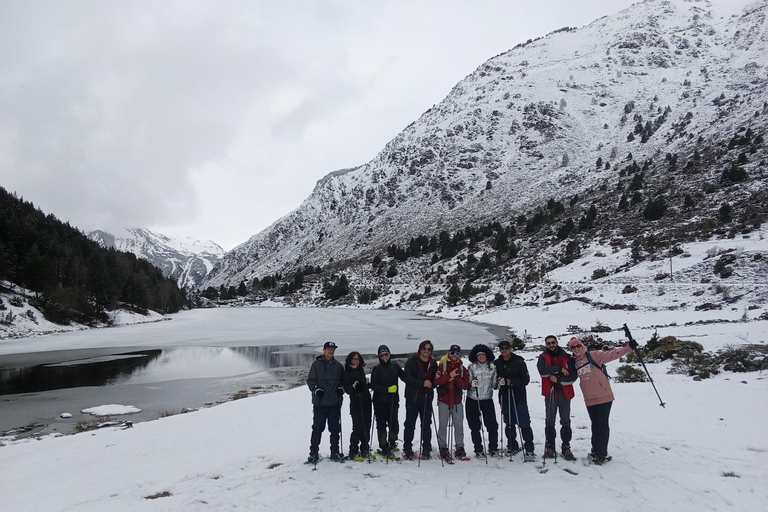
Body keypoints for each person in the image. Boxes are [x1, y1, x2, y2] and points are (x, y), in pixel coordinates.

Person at [568, 336, 636, 465]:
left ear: (582, 346)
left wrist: (629, 348)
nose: (576, 349)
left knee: (602, 425)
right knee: (595, 424)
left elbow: (612, 354)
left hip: (603, 396)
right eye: (573, 347)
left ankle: (602, 454)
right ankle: (595, 450)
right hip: (589, 398)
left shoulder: (593, 355)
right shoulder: (575, 362)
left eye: (578, 346)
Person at [537, 335, 577, 461]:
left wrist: (558, 379)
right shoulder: (543, 357)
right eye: (548, 343)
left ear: (557, 342)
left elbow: (573, 376)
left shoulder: (567, 357)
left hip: (564, 393)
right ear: (546, 345)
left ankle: (566, 446)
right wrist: (559, 368)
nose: (551, 345)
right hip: (550, 393)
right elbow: (543, 371)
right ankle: (550, 446)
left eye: (553, 342)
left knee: (565, 420)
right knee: (550, 420)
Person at [496, 339, 535, 459]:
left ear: (510, 349)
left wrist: (511, 381)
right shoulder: (497, 363)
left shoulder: (519, 362)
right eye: (502, 349)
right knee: (509, 422)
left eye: (506, 348)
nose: (504, 350)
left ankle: (529, 447)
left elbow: (525, 380)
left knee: (523, 422)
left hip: (518, 396)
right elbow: (494, 378)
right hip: (504, 396)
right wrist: (498, 382)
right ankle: (512, 445)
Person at [306, 341, 345, 462]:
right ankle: (313, 453)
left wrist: (341, 389)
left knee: (335, 429)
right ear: (324, 350)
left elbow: (343, 382)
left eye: (333, 349)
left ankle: (335, 452)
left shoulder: (338, 366)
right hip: (320, 403)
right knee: (317, 428)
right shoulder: (316, 365)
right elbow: (311, 380)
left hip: (334, 403)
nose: (331, 351)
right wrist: (316, 389)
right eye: (328, 349)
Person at [400, 339, 437, 460]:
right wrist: (422, 383)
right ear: (420, 350)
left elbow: (435, 380)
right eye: (424, 349)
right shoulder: (412, 361)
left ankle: (426, 448)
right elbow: (407, 377)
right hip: (413, 397)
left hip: (427, 397)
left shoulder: (433, 364)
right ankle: (407, 448)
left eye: (429, 349)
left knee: (426, 424)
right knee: (410, 424)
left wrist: (432, 384)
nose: (426, 351)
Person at [434, 344, 470, 460]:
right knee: (443, 425)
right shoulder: (442, 366)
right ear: (449, 353)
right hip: (444, 401)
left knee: (459, 426)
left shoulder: (462, 369)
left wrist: (456, 378)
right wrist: (449, 376)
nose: (455, 355)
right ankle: (443, 448)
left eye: (457, 354)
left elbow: (465, 385)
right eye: (453, 353)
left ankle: (460, 448)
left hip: (457, 401)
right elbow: (436, 381)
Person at [466, 344, 499, 458]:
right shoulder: (471, 367)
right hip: (473, 398)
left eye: (483, 355)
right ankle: (478, 449)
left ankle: (493, 448)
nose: (481, 357)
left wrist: (499, 384)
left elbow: (494, 384)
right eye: (479, 355)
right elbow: (467, 382)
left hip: (487, 399)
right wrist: (471, 385)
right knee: (474, 425)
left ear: (487, 356)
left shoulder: (492, 367)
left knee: (492, 424)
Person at [369, 344, 402, 457]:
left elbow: (405, 377)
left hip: (393, 400)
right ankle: (383, 446)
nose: (384, 357)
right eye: (382, 355)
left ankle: (392, 442)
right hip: (380, 402)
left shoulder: (395, 366)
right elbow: (373, 385)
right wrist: (387, 390)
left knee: (394, 424)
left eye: (386, 354)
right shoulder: (376, 369)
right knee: (381, 425)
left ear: (389, 354)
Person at [343, 351, 372, 459]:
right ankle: (353, 449)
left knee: (367, 425)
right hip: (355, 402)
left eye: (357, 359)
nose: (356, 361)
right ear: (350, 360)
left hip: (366, 401)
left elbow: (364, 385)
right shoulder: (347, 372)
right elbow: (348, 390)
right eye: (354, 359)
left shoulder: (361, 370)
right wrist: (354, 385)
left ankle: (365, 448)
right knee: (357, 427)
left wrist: (367, 385)